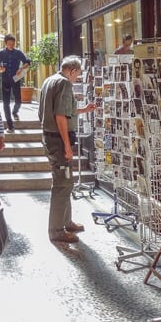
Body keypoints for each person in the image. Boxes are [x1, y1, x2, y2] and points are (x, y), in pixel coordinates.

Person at [38, 55, 96, 243]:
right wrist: (66, 145)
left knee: (66, 182)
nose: (77, 78)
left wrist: (83, 110)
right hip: (57, 140)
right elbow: (60, 116)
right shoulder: (64, 84)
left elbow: (59, 111)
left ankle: (66, 221)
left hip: (50, 138)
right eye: (77, 75)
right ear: (72, 70)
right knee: (62, 184)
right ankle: (56, 230)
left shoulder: (49, 81)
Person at [0, 34, 30, 133]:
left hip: (16, 79)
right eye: (9, 43)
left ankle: (15, 112)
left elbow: (27, 62)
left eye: (13, 43)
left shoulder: (18, 52)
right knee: (6, 103)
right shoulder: (1, 53)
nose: (11, 45)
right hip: (5, 79)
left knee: (18, 100)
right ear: (6, 43)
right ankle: (10, 126)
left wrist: (21, 68)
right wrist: (0, 69)